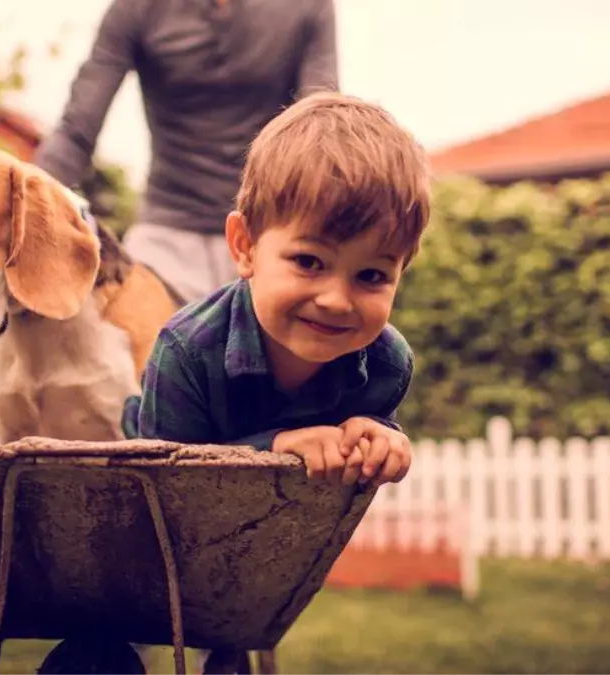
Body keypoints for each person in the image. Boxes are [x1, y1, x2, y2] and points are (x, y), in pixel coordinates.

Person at [122, 92, 431, 486]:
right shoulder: (186, 352)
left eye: (370, 276)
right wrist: (273, 448)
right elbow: (167, 489)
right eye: (308, 262)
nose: (336, 301)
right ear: (245, 246)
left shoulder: (387, 365)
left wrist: (380, 435)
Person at [34, 0, 339, 304]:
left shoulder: (308, 6)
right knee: (142, 338)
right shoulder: (135, 9)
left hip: (267, 235)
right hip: (165, 239)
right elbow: (76, 132)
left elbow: (319, 129)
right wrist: (30, 207)